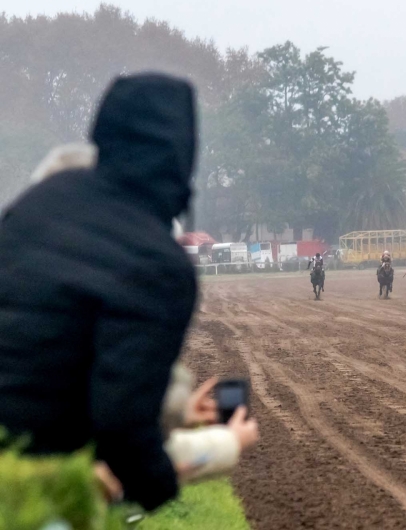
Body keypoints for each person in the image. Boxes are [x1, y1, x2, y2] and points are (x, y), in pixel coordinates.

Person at [0, 74, 249, 511]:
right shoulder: (157, 264)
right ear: (183, 154)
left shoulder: (43, 199)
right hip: (29, 487)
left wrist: (175, 412)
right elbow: (120, 426)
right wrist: (202, 458)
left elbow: (52, 356)